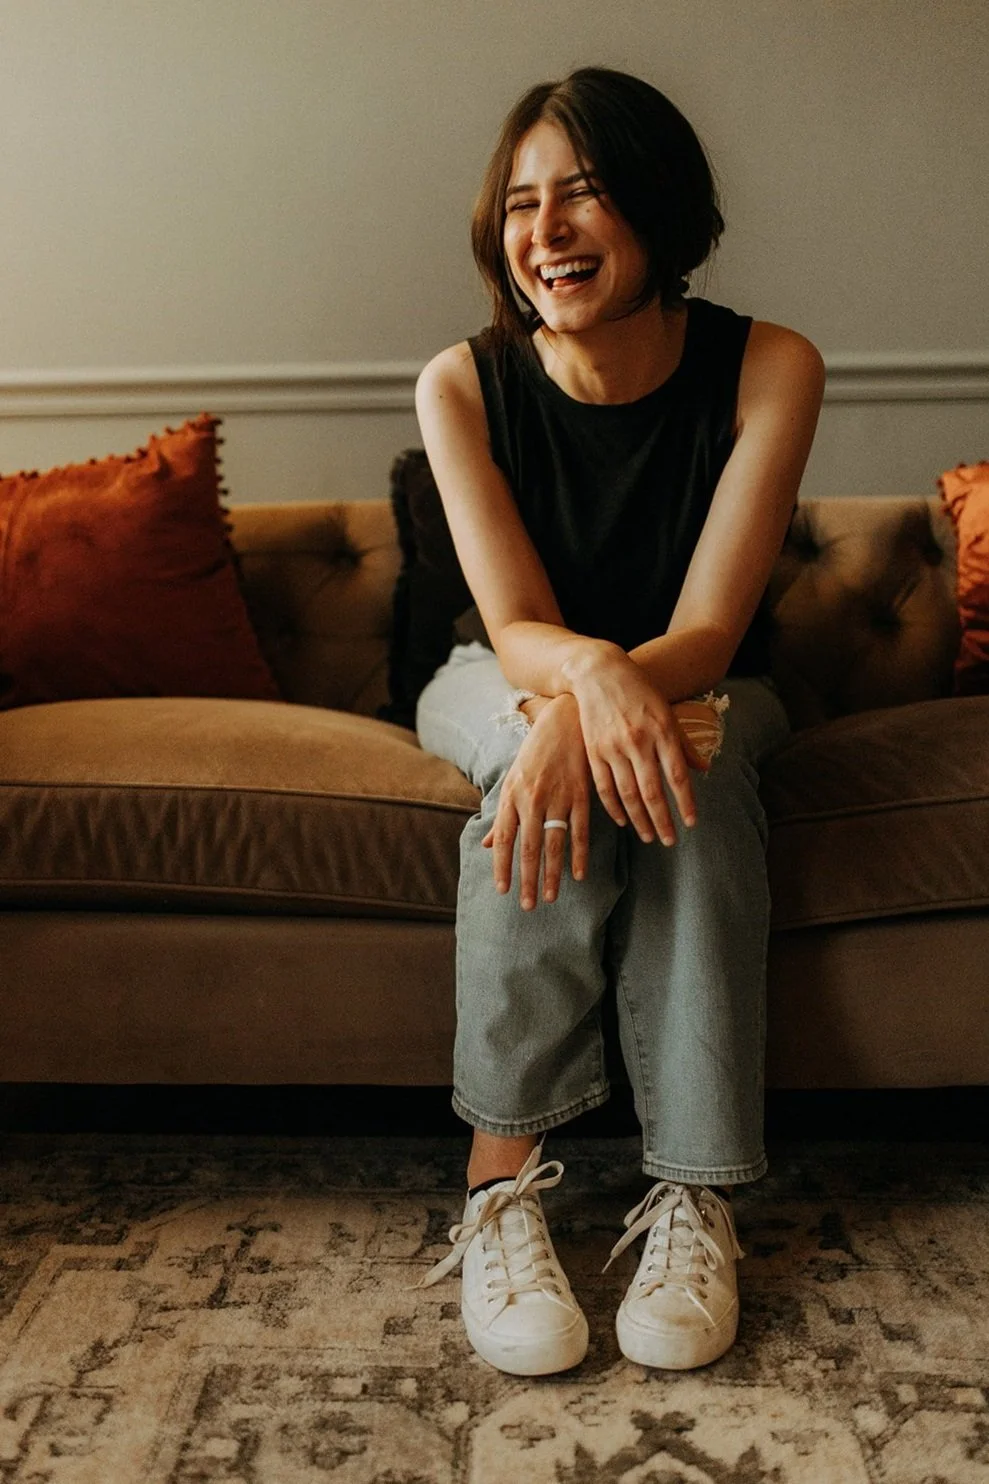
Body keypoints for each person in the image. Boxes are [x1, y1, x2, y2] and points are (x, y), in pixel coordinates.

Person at [411, 66, 825, 1377]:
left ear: (657, 204)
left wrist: (611, 698)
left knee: (684, 770)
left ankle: (693, 1195)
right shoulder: (461, 383)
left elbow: (708, 627)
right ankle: (499, 1184)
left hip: (709, 682)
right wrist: (579, 697)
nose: (546, 231)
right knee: (542, 767)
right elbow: (516, 619)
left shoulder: (772, 364)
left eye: (582, 193)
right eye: (522, 204)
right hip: (500, 670)